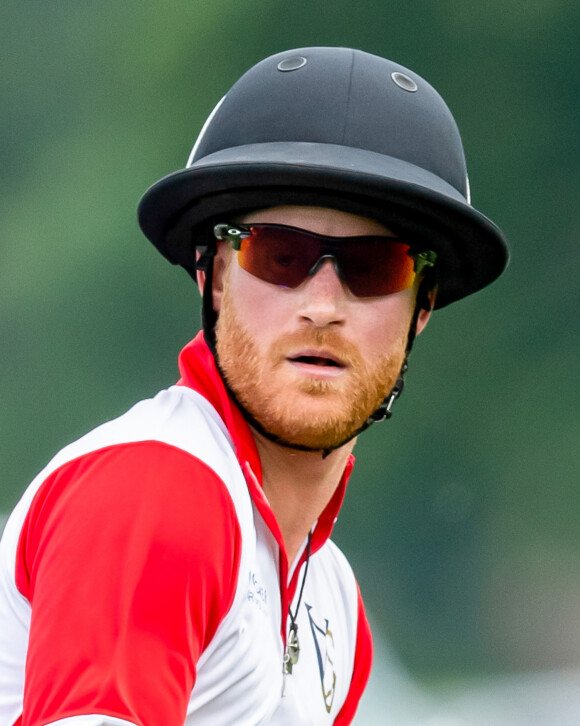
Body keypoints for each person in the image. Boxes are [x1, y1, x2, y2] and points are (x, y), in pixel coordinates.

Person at [0, 47, 508, 726]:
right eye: (280, 256)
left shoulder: (332, 602)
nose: (323, 305)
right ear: (211, 277)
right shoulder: (151, 490)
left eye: (373, 267)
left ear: (421, 309)